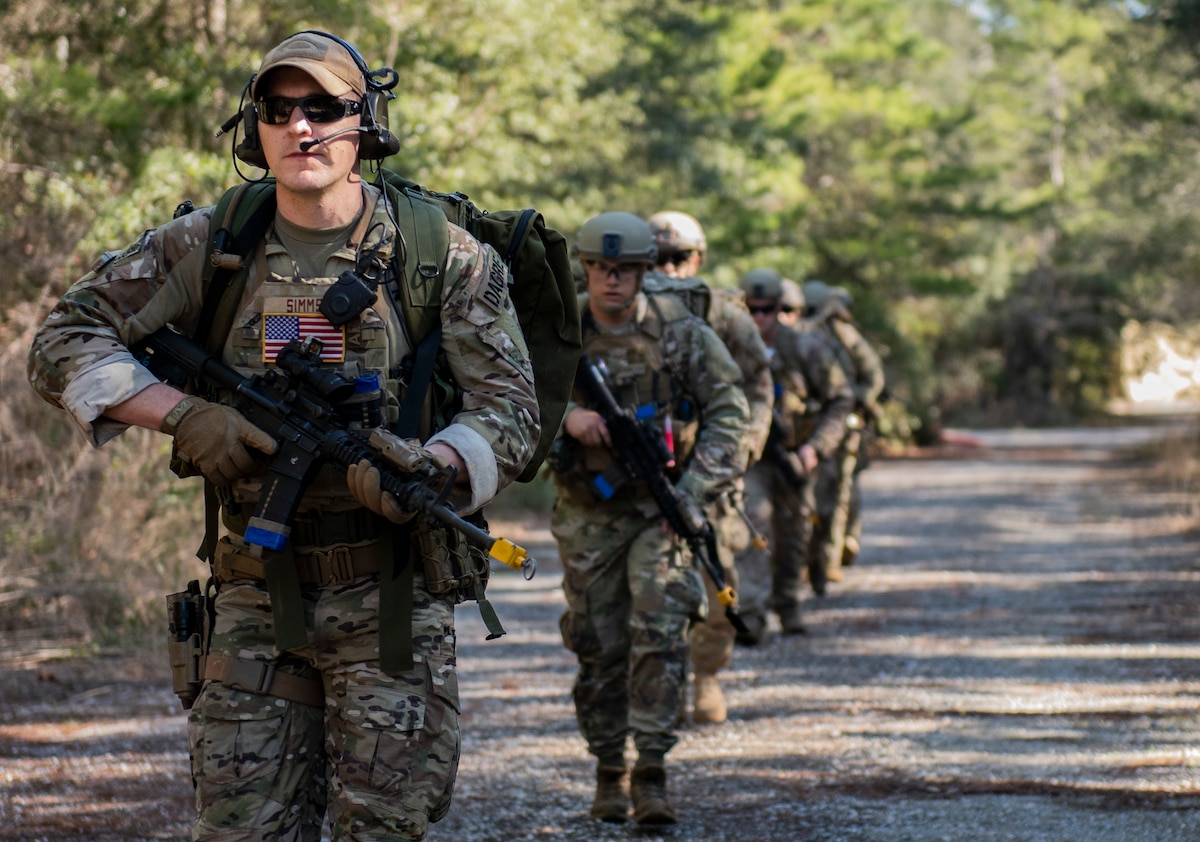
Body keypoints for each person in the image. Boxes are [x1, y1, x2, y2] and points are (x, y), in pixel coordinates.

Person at [27, 31, 539, 841]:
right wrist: (181, 412)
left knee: (383, 829)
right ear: (253, 127)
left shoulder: (441, 253)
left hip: (393, 600)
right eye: (279, 109)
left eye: (325, 108)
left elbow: (511, 408)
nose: (302, 129)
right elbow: (62, 340)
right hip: (251, 595)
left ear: (364, 121)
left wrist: (434, 466)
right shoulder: (209, 244)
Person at [548, 212, 750, 825]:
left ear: (642, 271)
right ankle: (609, 768)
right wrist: (566, 420)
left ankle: (652, 774)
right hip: (588, 514)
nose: (613, 281)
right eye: (601, 269)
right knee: (598, 643)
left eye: (626, 269)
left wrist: (691, 491)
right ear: (585, 268)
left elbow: (729, 411)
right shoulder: (558, 332)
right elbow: (501, 399)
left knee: (660, 638)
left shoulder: (681, 333)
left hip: (662, 511)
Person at [645, 210, 772, 726]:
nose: (670, 268)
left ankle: (707, 675)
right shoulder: (624, 311)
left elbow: (759, 386)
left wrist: (742, 449)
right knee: (648, 585)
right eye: (657, 259)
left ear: (698, 259)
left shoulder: (723, 312)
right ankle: (657, 685)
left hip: (711, 469)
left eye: (679, 258)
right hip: (645, 471)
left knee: (716, 578)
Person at [734, 269, 853, 643]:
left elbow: (841, 399)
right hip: (751, 459)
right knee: (753, 527)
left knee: (794, 532)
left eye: (768, 309)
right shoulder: (729, 346)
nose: (760, 318)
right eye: (751, 309)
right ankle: (751, 614)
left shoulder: (804, 347)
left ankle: (787, 603)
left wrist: (814, 448)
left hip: (795, 458)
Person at [803, 280, 886, 576]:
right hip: (809, 426)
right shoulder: (796, 337)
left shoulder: (846, 336)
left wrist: (856, 402)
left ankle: (831, 556)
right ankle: (808, 558)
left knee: (840, 488)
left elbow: (873, 376)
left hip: (844, 423)